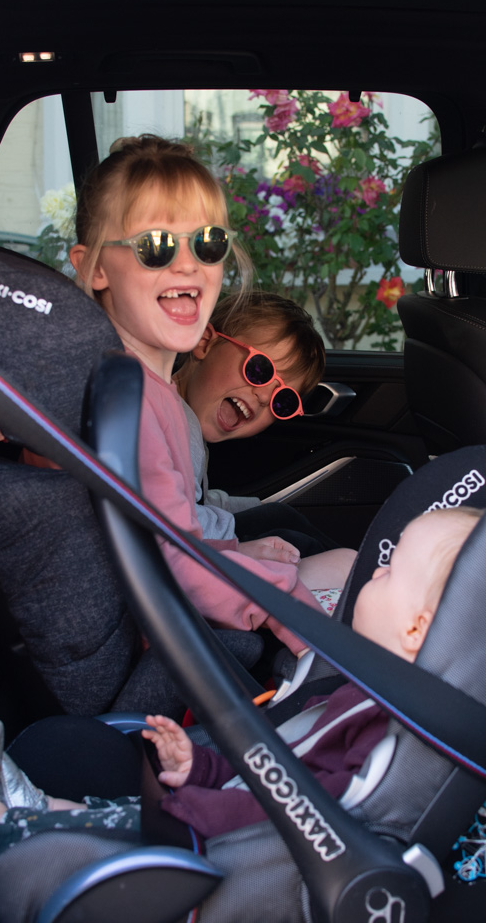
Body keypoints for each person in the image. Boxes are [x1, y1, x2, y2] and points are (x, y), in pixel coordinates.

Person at [0, 506, 482, 866]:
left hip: (224, 851)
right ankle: (34, 808)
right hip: (226, 816)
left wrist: (191, 808)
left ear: (415, 628)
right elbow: (281, 765)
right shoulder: (368, 701)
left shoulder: (384, 742)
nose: (373, 573)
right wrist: (201, 770)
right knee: (114, 813)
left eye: (388, 573)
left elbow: (303, 816)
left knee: (118, 831)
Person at [67, 134, 355, 654]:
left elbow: (176, 529)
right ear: (96, 268)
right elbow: (171, 558)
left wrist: (237, 547)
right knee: (350, 570)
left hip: (183, 613)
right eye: (155, 245)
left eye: (207, 243)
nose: (186, 265)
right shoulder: (126, 402)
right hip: (171, 638)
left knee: (344, 565)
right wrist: (298, 620)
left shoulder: (145, 392)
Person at [174, 290, 342, 560]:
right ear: (204, 343)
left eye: (283, 400)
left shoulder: (186, 421)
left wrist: (256, 506)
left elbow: (198, 500)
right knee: (294, 543)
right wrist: (241, 546)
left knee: (279, 514)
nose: (264, 397)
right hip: (194, 552)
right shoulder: (172, 423)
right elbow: (176, 521)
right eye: (259, 370)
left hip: (199, 537)